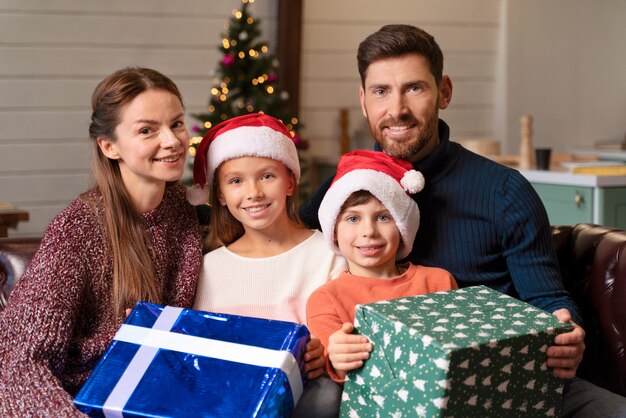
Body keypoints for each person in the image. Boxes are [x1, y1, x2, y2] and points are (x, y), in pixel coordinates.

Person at [300, 24, 626, 416]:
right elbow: (282, 250)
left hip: (506, 377)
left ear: (445, 92)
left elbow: (548, 299)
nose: (397, 109)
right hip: (389, 388)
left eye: (415, 88)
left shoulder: (503, 190)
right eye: (381, 91)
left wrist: (567, 331)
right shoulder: (341, 186)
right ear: (364, 100)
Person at [0, 67, 204, 415]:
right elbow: (19, 364)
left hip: (154, 394)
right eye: (146, 130)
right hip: (79, 402)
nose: (171, 141)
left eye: (177, 123)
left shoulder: (186, 212)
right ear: (109, 146)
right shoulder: (77, 230)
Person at [188, 113, 347, 417]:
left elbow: (341, 334)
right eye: (236, 181)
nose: (254, 193)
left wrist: (322, 349)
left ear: (290, 182)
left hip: (306, 399)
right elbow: (204, 358)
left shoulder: (328, 255)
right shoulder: (210, 269)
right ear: (220, 195)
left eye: (267, 176)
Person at [306, 150, 457, 382]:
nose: (369, 231)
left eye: (383, 217)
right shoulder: (326, 299)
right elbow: (334, 365)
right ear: (334, 232)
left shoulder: (439, 282)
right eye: (353, 218)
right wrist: (337, 356)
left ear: (403, 227)